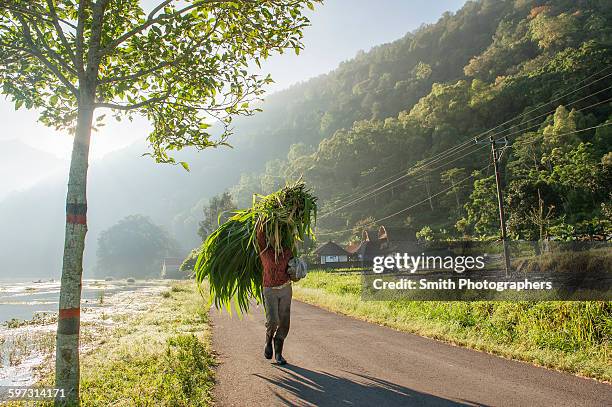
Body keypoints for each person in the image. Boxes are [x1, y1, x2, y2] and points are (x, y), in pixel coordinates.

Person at [256, 227, 293, 365]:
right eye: (272, 237)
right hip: (269, 289)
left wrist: (297, 270)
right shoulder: (264, 251)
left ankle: (278, 355)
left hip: (286, 289)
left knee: (284, 323)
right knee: (273, 320)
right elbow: (259, 235)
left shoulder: (288, 251)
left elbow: (292, 268)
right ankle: (268, 340)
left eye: (278, 237)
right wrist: (264, 221)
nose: (275, 239)